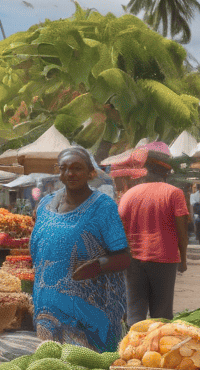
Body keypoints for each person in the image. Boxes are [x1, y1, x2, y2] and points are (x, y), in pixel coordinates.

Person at [30, 145, 130, 350]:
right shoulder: (46, 205)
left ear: (90, 173)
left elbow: (125, 258)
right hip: (46, 311)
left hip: (90, 317)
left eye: (77, 168)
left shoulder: (103, 207)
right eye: (64, 168)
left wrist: (98, 265)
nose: (69, 173)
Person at [118, 142, 189, 324]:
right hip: (164, 260)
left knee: (134, 313)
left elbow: (120, 229)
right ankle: (156, 350)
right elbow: (182, 229)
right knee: (162, 315)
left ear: (144, 171)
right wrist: (184, 259)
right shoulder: (174, 193)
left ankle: (131, 350)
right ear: (166, 173)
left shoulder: (129, 194)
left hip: (133, 260)